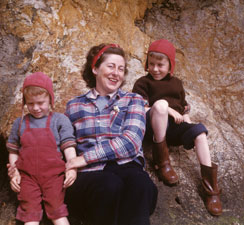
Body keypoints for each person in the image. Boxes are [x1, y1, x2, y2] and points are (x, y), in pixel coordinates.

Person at [64, 44, 158, 225]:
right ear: (95, 68)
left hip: (126, 166)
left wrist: (84, 158)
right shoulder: (74, 106)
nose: (116, 73)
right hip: (91, 175)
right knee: (108, 184)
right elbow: (66, 143)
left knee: (142, 185)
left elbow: (131, 142)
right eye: (111, 66)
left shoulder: (133, 100)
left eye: (121, 69)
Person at [132, 39, 222, 216]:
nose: (155, 69)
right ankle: (162, 161)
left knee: (200, 133)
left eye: (160, 65)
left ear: (170, 65)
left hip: (174, 128)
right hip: (154, 127)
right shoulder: (142, 83)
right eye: (151, 64)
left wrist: (188, 127)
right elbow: (139, 108)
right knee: (160, 105)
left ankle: (212, 191)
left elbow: (183, 108)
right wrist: (168, 109)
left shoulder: (177, 84)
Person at [6, 72, 77, 225]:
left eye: (41, 103)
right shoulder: (20, 123)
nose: (36, 108)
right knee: (30, 215)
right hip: (27, 178)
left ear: (50, 99)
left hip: (54, 177)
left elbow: (69, 147)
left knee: (57, 211)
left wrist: (72, 168)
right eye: (30, 104)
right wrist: (14, 173)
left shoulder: (59, 120)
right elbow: (13, 151)